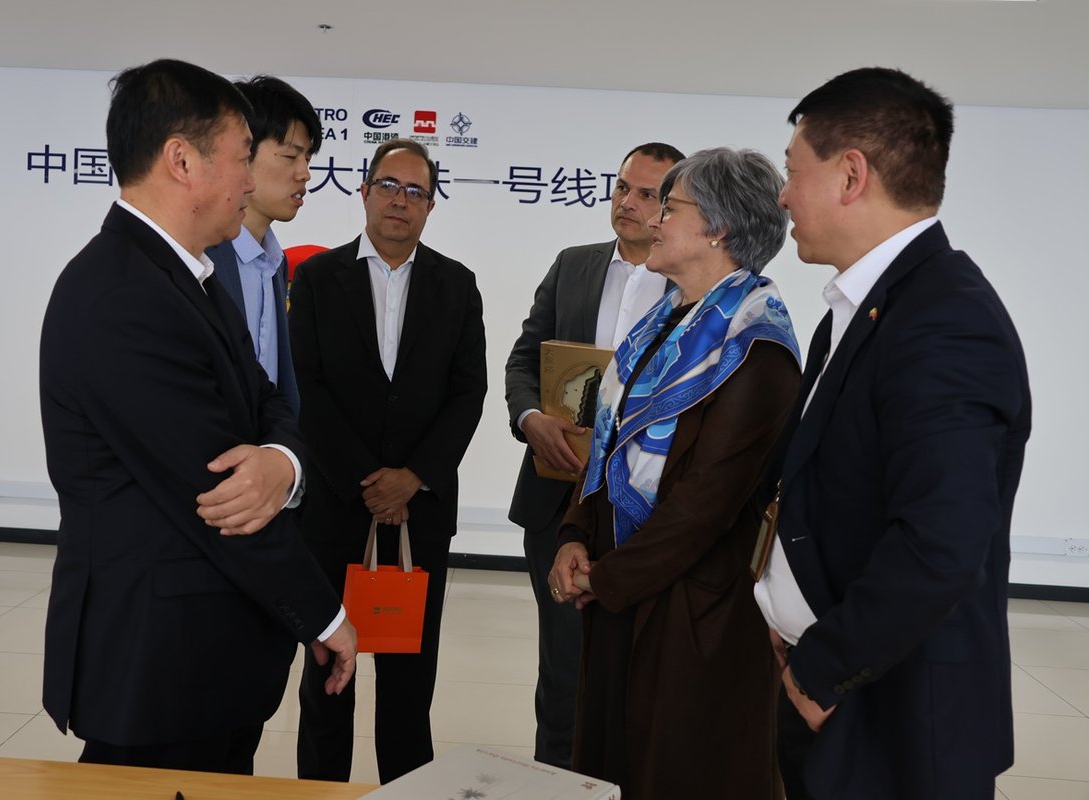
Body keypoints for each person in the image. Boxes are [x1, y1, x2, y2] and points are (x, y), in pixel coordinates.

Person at [38, 58, 356, 774]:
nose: (250, 181)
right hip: (156, 660)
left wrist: (284, 460)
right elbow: (219, 495)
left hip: (202, 653)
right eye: (244, 157)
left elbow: (270, 400)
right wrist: (324, 615)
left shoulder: (191, 275)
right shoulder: (123, 295)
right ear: (181, 160)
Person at [756, 67, 1031, 800]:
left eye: (792, 171)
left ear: (850, 175)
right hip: (839, 693)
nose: (783, 195)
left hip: (887, 716)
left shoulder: (945, 321)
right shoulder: (857, 308)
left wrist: (819, 672)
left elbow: (941, 544)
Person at [549, 148, 801, 799]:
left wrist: (607, 578)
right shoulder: (663, 323)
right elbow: (606, 441)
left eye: (671, 206)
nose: (655, 221)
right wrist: (576, 535)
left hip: (694, 615)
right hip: (621, 590)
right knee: (608, 773)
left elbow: (704, 505)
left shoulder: (758, 346)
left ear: (718, 227)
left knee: (675, 772)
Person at [289, 138, 487, 784]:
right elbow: (306, 386)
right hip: (336, 511)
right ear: (364, 191)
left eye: (415, 191)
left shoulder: (456, 285)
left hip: (420, 513)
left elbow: (468, 390)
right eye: (389, 186)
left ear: (431, 206)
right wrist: (365, 480)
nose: (400, 201)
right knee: (327, 679)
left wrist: (414, 477)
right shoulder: (317, 280)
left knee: (409, 684)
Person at [504, 142, 684, 768]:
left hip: (646, 515)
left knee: (638, 676)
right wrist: (531, 420)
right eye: (622, 188)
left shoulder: (690, 288)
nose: (627, 204)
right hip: (557, 499)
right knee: (563, 676)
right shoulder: (572, 265)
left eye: (648, 195)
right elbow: (525, 358)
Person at [205, 76, 318, 415]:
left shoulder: (275, 263)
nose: (305, 174)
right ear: (243, 152)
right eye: (290, 157)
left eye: (308, 158)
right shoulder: (198, 260)